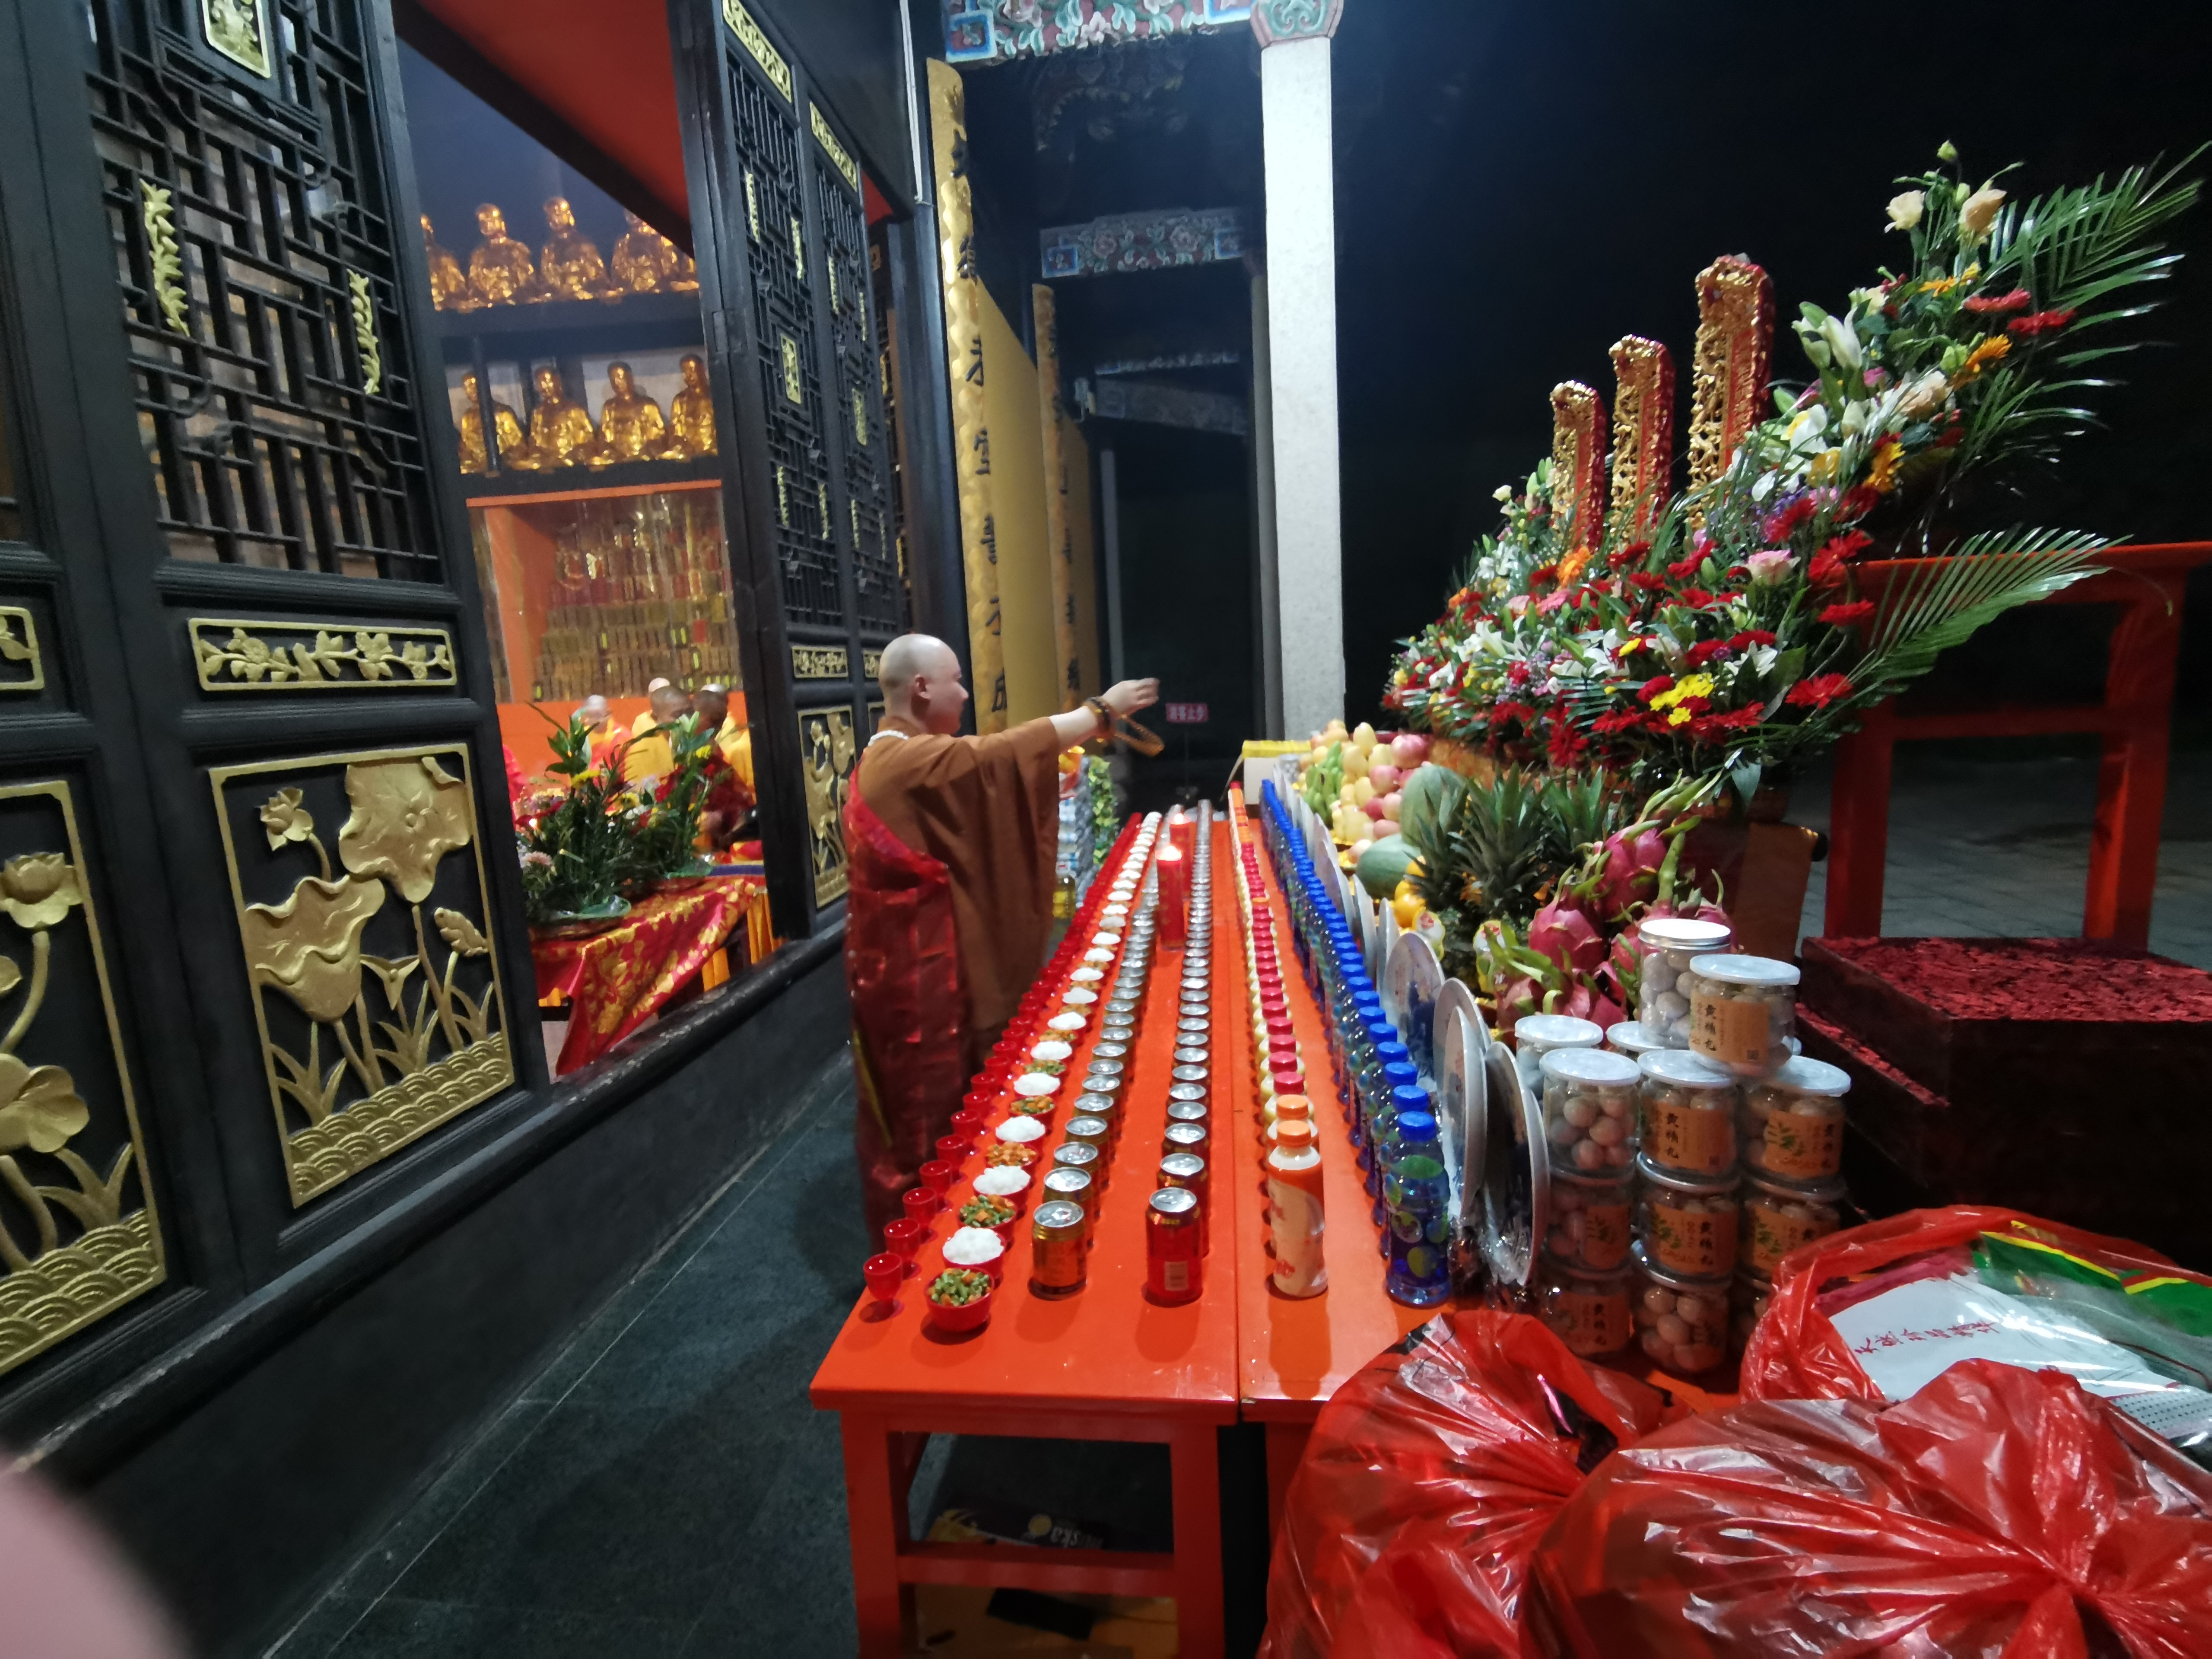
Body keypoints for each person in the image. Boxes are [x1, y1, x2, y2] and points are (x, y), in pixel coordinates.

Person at [845, 633, 1157, 1236]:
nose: (965, 693)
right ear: (921, 688)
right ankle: (930, 1238)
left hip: (911, 968)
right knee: (924, 1117)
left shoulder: (903, 753)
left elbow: (983, 772)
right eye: (956, 679)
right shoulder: (898, 761)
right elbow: (993, 761)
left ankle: (958, 1211)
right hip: (917, 989)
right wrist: (1098, 714)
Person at [688, 683, 756, 849]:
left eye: (721, 723)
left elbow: (731, 792)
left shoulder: (712, 749)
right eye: (714, 722)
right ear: (695, 716)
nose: (717, 730)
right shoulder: (684, 750)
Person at [622, 682, 690, 788]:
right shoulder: (643, 751)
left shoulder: (697, 742)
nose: (685, 720)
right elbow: (638, 796)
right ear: (656, 718)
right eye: (677, 715)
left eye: (689, 713)